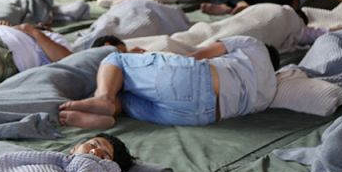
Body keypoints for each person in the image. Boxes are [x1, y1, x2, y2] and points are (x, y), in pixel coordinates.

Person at [59, 35, 279, 128]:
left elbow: (200, 54)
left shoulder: (255, 44)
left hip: (196, 79)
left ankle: (103, 98)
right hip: (202, 116)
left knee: (116, 59)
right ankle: (106, 115)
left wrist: (155, 61)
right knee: (125, 99)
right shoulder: (270, 91)